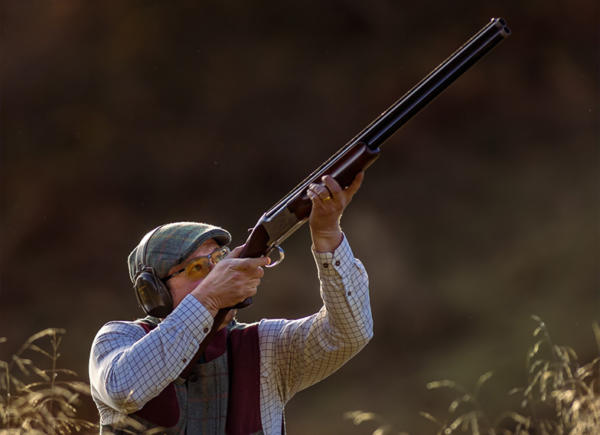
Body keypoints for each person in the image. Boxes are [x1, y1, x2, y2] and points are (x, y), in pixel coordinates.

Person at [89, 173, 373, 434]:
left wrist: (327, 235)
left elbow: (350, 333)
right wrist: (209, 299)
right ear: (154, 293)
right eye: (197, 269)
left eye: (219, 260)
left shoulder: (266, 347)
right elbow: (125, 388)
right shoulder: (117, 339)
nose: (217, 275)